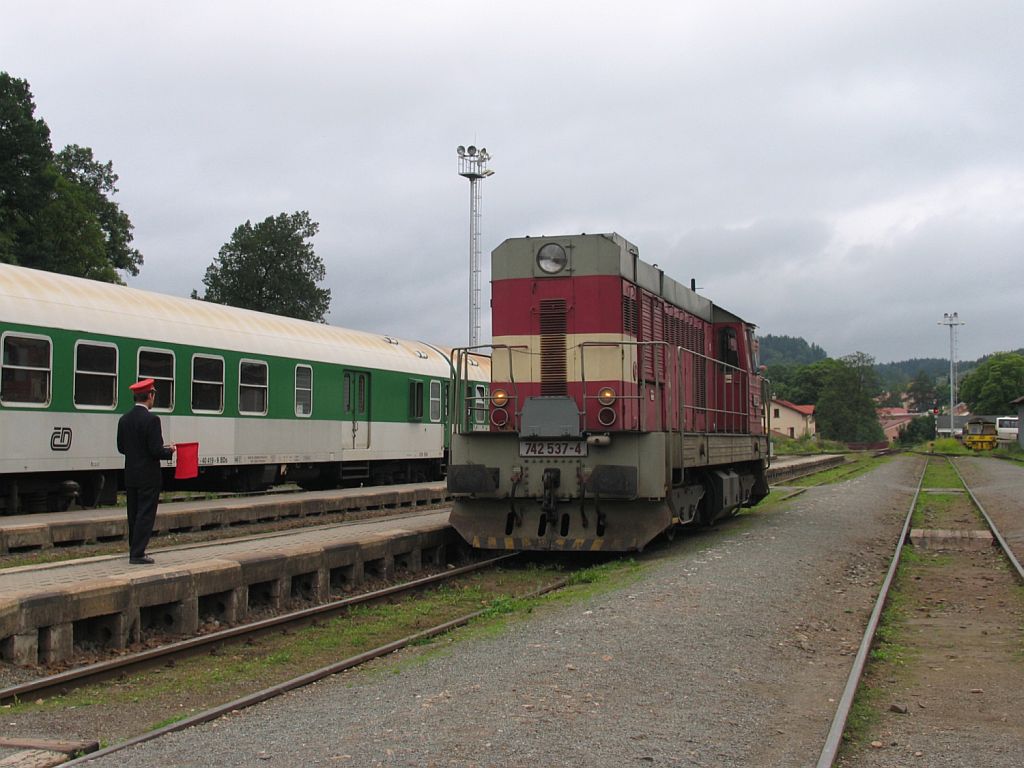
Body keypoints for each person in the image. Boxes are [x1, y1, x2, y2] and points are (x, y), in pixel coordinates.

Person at [116, 379, 174, 564]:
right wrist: (169, 451)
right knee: (145, 514)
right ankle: (138, 553)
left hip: (131, 474)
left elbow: (121, 448)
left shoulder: (124, 419)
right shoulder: (152, 420)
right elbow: (155, 450)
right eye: (153, 394)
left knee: (133, 513)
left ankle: (134, 548)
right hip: (148, 476)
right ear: (150, 396)